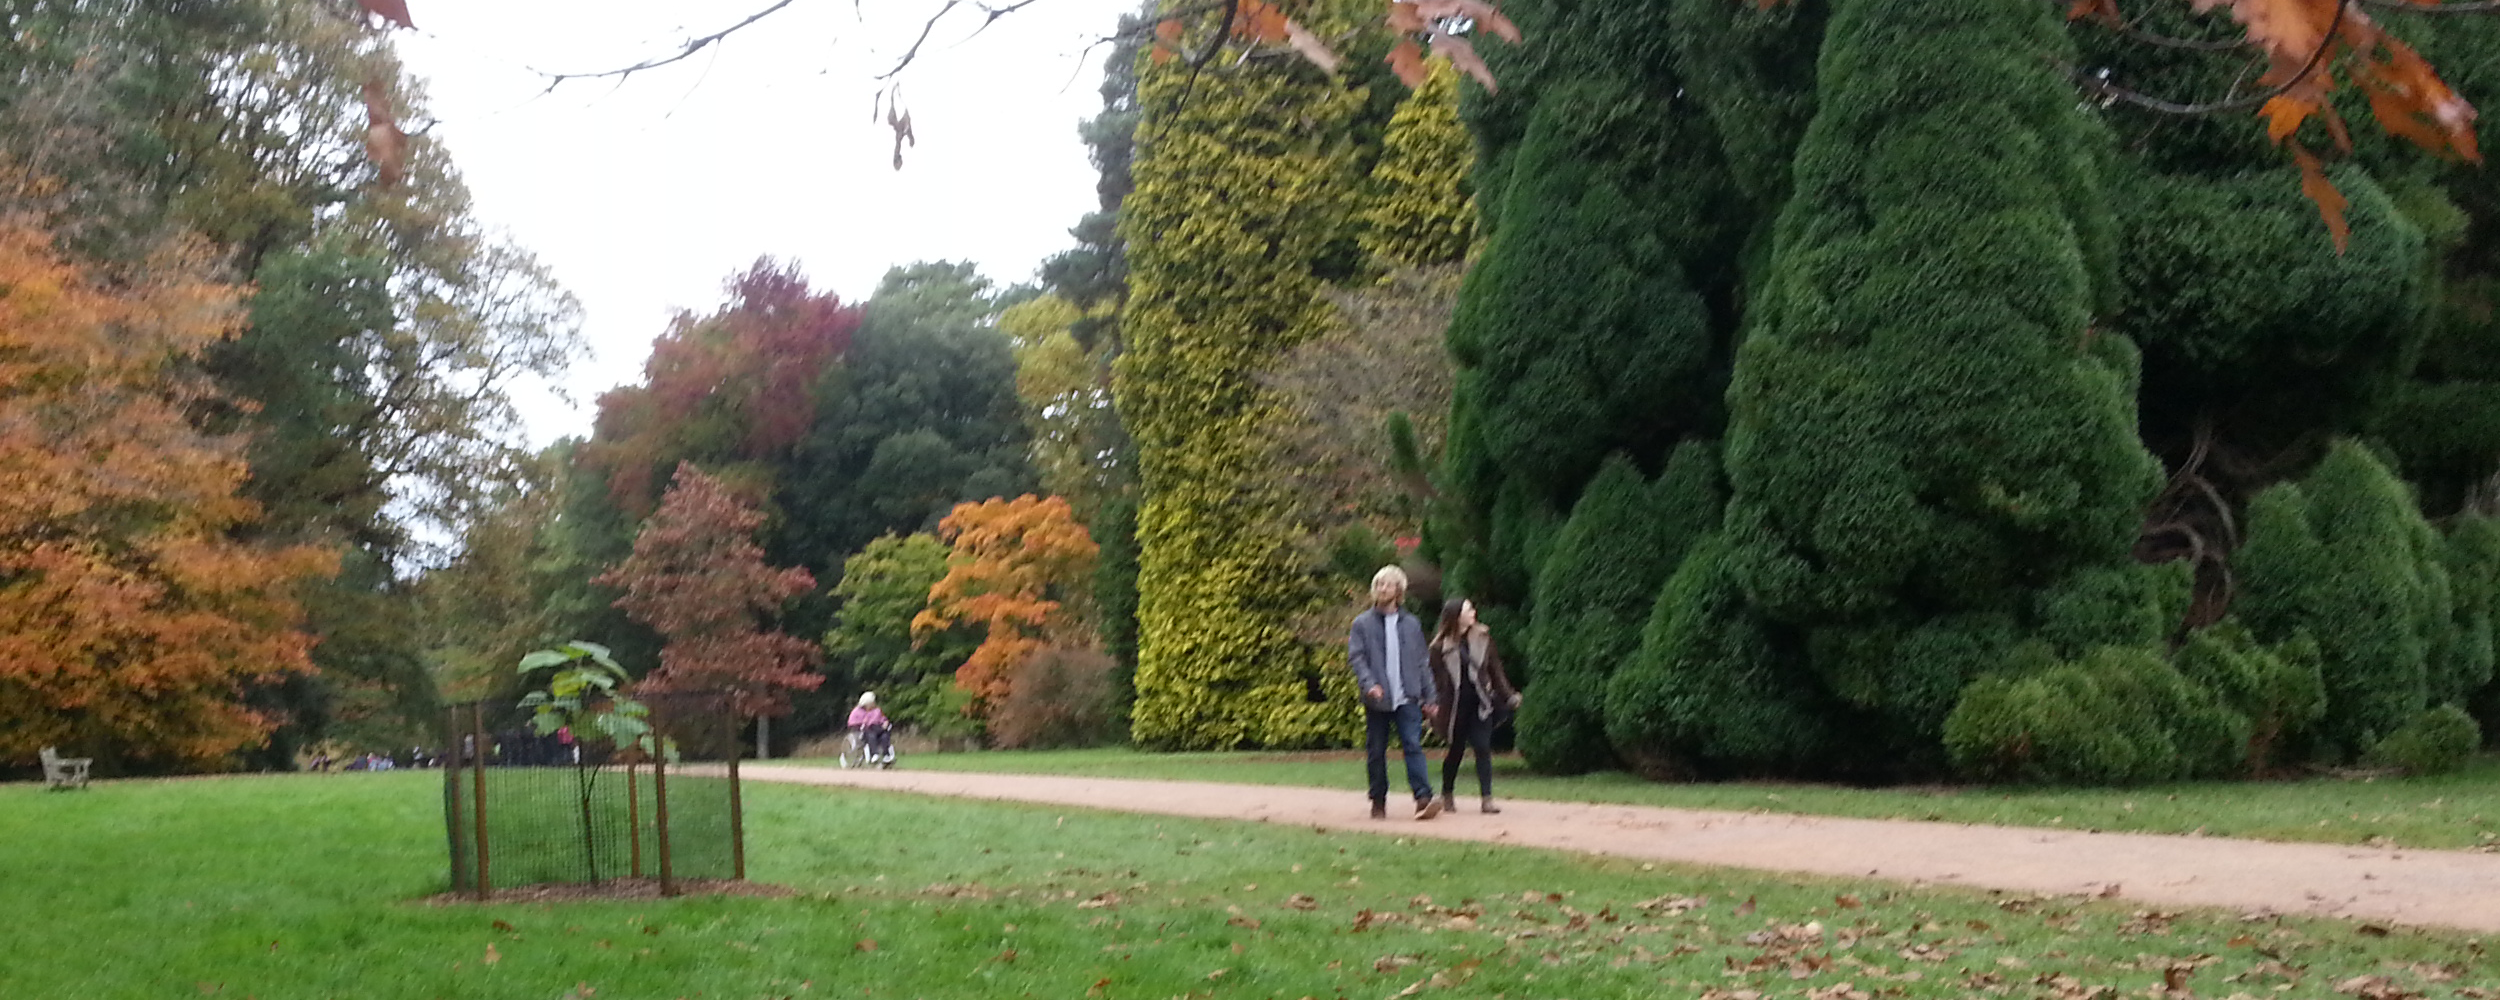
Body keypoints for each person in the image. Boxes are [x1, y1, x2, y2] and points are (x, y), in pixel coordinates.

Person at [1349, 565, 1441, 821]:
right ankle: (1378, 800)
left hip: (1407, 697)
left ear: (1398, 590)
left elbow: (1422, 662)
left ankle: (1423, 798)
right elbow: (1357, 658)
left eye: (1387, 584)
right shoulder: (1362, 624)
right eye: (1379, 584)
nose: (1382, 588)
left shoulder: (1411, 624)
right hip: (1377, 700)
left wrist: (1430, 697)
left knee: (1413, 745)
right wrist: (1370, 684)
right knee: (1376, 750)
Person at [1429, 597, 1521, 813]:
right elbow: (1434, 680)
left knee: (1482, 746)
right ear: (1456, 616)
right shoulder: (1439, 648)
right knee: (1456, 751)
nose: (1473, 612)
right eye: (1468, 609)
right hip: (1454, 707)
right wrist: (1432, 705)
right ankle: (1447, 793)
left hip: (1480, 703)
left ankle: (1487, 799)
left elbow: (1495, 671)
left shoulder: (1483, 638)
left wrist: (1508, 696)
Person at [848, 691, 893, 765]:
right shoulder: (857, 711)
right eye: (872, 702)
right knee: (871, 735)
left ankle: (886, 755)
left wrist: (885, 722)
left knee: (885, 736)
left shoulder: (877, 710)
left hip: (878, 729)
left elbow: (883, 719)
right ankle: (874, 754)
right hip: (864, 730)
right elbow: (852, 723)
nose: (874, 704)